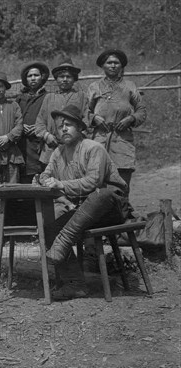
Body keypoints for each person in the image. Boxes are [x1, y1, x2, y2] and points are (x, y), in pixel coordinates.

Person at [40, 104, 130, 300]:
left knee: (101, 193)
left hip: (109, 210)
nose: (63, 129)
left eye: (69, 125)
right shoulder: (58, 152)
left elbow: (93, 182)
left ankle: (63, 241)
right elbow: (46, 174)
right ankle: (75, 284)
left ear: (80, 128)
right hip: (83, 213)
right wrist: (44, 179)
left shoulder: (93, 147)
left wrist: (60, 184)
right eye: (59, 126)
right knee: (49, 229)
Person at [88, 49, 147, 188]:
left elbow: (141, 110)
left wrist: (131, 118)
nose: (113, 65)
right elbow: (85, 111)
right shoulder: (94, 87)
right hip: (100, 138)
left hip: (122, 139)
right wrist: (94, 118)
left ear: (121, 66)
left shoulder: (130, 86)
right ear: (103, 66)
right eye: (109, 63)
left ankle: (123, 209)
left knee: (122, 182)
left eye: (116, 63)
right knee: (98, 178)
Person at [35, 58, 89, 165]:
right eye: (61, 77)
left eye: (68, 77)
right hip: (51, 148)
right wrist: (47, 136)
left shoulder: (81, 97)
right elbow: (39, 123)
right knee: (50, 178)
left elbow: (86, 122)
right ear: (56, 79)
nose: (65, 79)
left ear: (74, 79)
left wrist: (76, 137)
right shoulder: (49, 98)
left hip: (74, 148)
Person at [16, 62, 50, 183]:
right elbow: (15, 117)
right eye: (30, 76)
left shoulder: (48, 97)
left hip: (39, 143)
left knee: (39, 174)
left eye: (36, 75)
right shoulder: (20, 98)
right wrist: (20, 126)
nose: (33, 78)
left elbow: (50, 119)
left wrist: (38, 128)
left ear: (42, 77)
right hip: (22, 143)